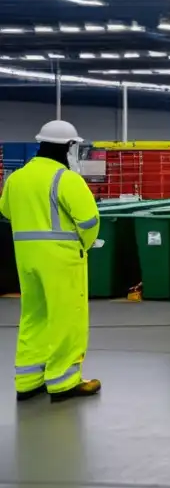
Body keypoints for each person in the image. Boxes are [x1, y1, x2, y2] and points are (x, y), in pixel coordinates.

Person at [0, 121, 101, 403]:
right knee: (66, 317)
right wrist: (84, 244)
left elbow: (6, 211)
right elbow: (90, 221)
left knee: (34, 315)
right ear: (68, 147)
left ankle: (28, 380)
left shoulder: (16, 178)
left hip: (26, 258)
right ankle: (63, 380)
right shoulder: (66, 179)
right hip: (62, 259)